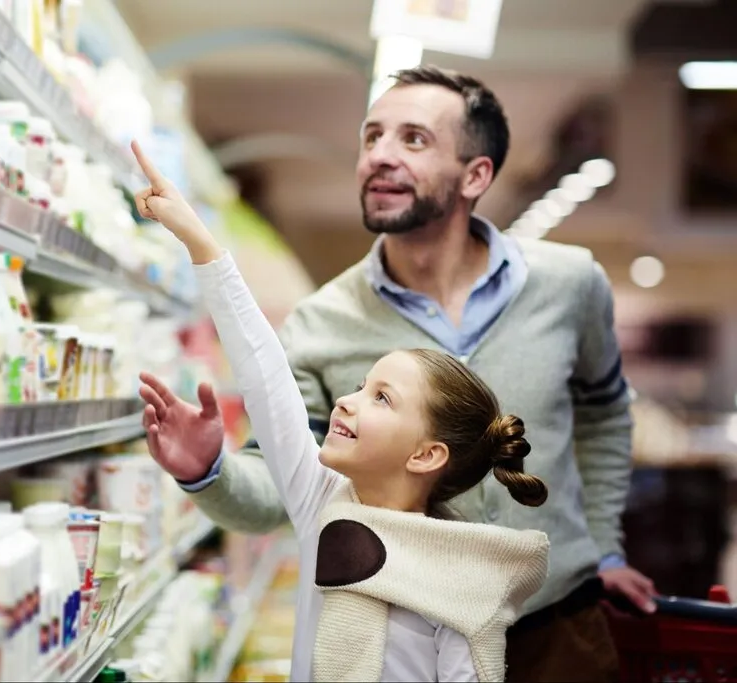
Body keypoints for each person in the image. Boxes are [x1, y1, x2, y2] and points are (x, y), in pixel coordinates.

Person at [137, 65, 656, 682]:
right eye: (371, 136)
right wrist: (209, 472)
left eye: (412, 139)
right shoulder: (322, 325)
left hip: (563, 623)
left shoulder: (572, 285)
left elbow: (604, 414)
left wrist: (605, 545)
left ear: (475, 175)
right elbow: (273, 433)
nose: (379, 155)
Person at [130, 139, 550, 682]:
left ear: (426, 454)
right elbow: (265, 374)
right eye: (360, 384)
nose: (346, 401)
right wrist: (199, 241)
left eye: (381, 398)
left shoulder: (462, 581)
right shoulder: (323, 504)